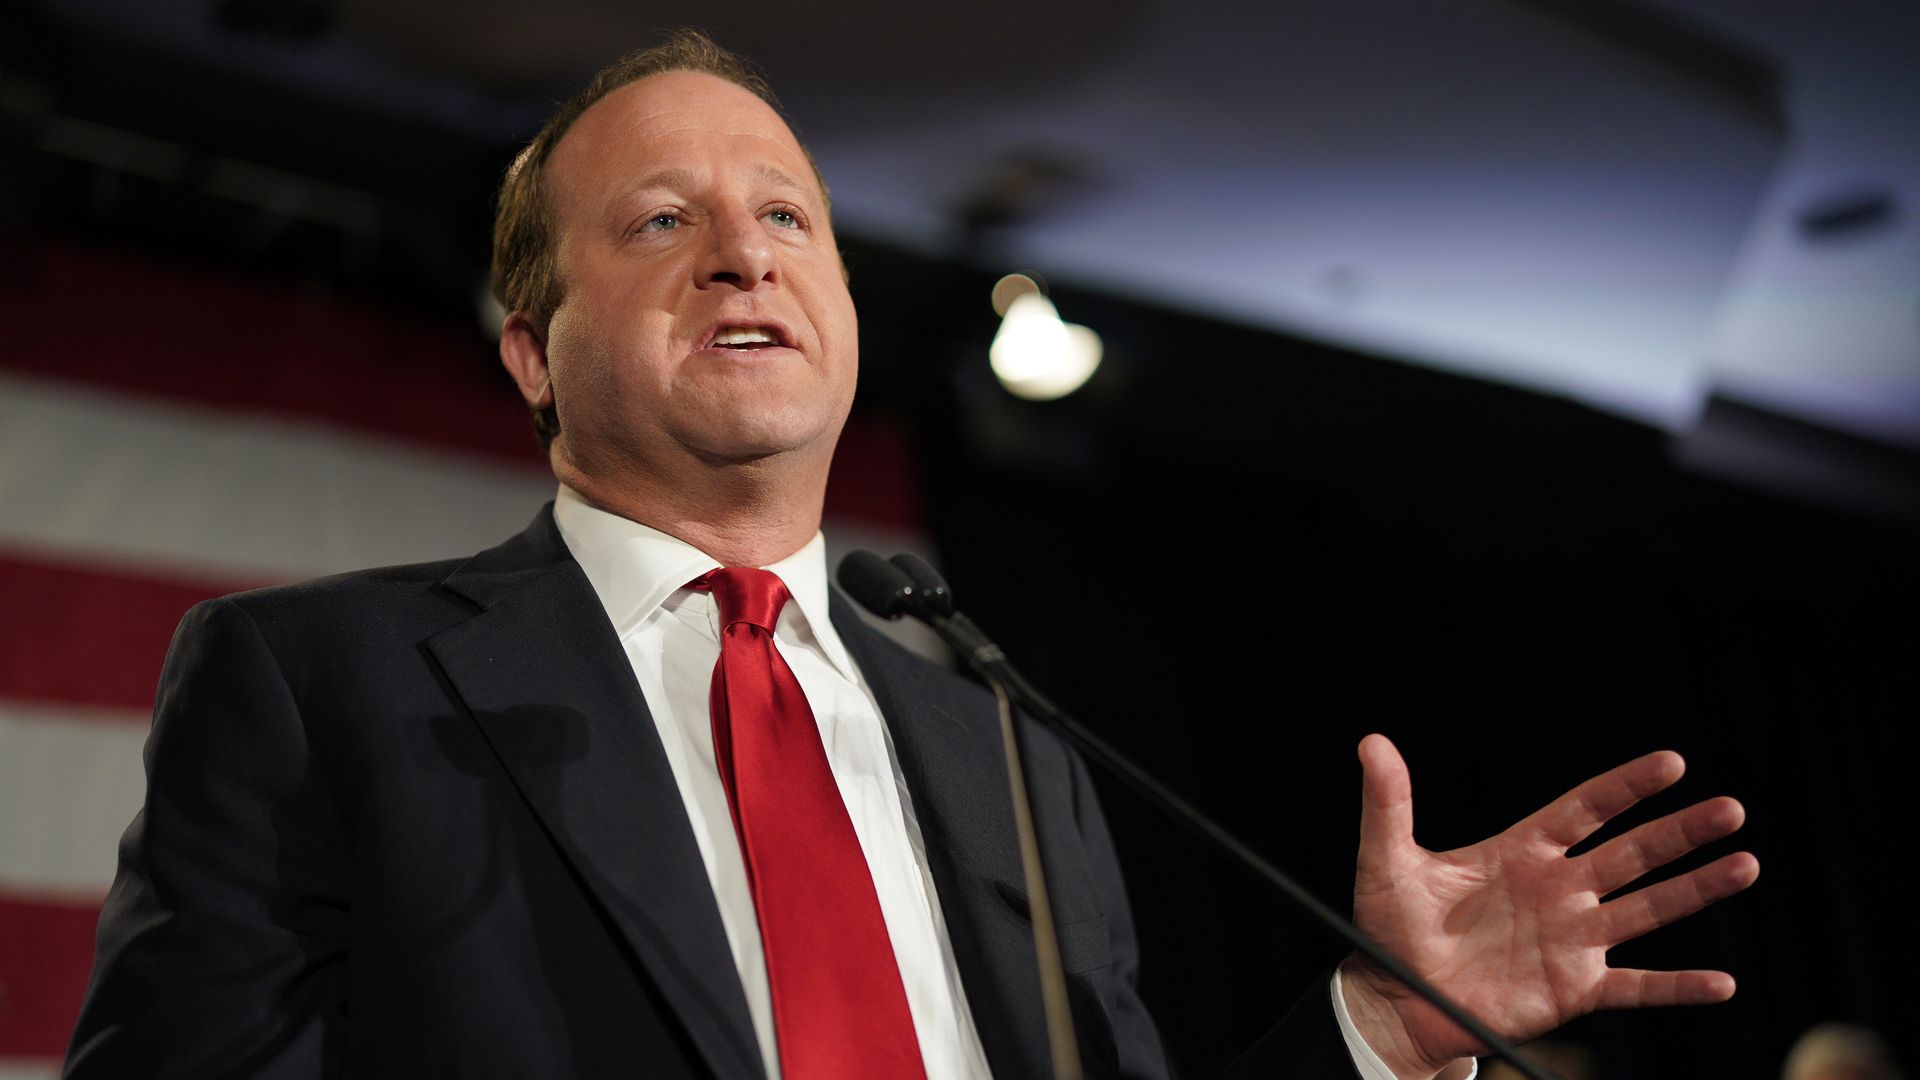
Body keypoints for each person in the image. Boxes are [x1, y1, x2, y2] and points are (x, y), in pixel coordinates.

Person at [63, 30, 1759, 1080]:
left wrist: (1377, 1033)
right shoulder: (319, 683)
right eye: (660, 221)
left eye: (787, 215)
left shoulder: (1006, 747)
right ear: (531, 353)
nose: (744, 255)